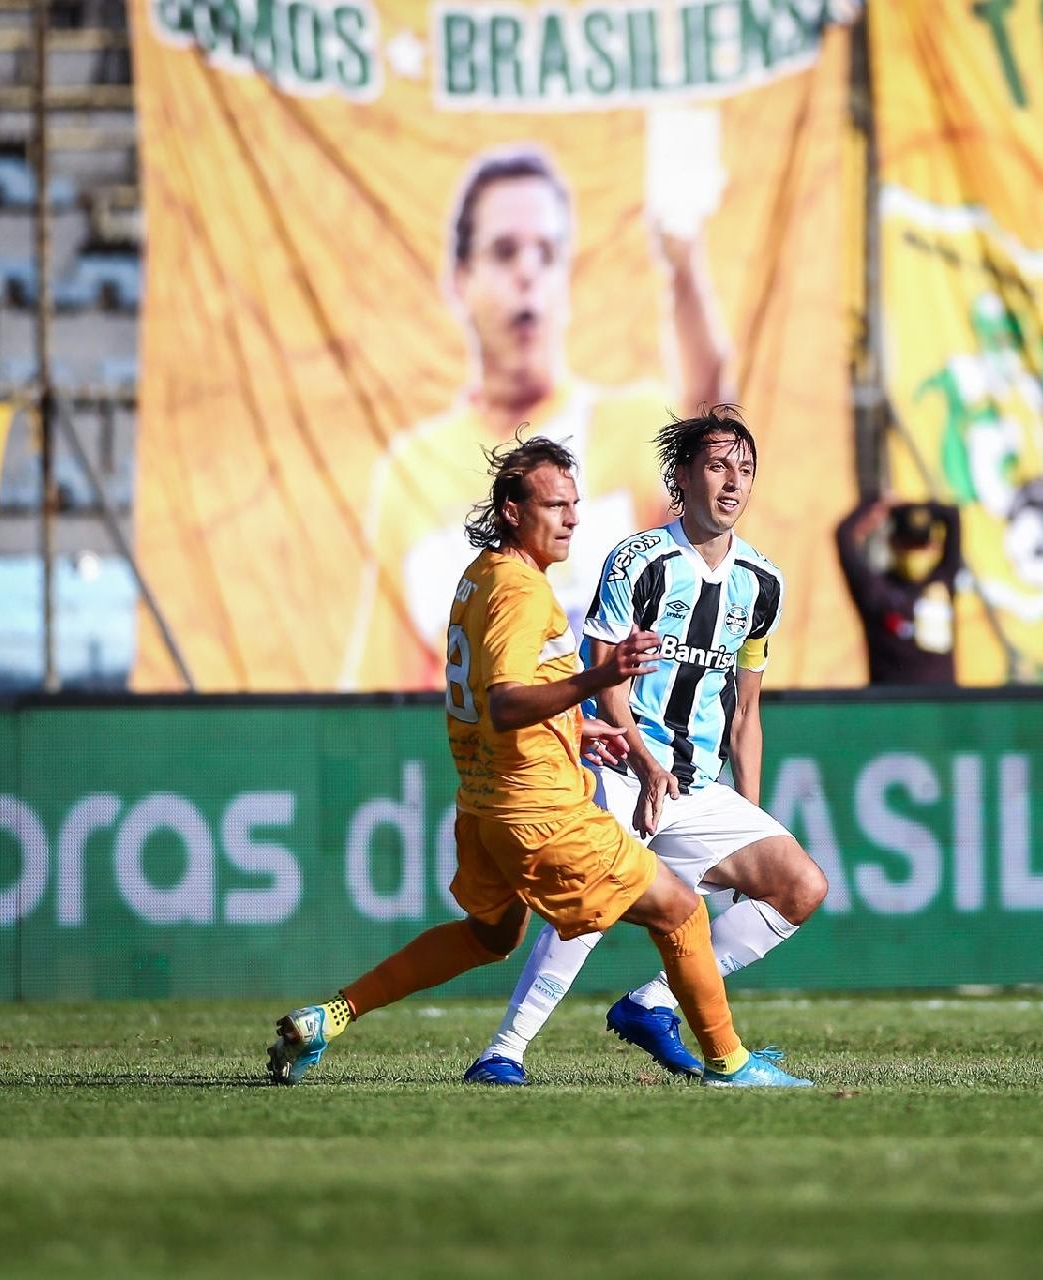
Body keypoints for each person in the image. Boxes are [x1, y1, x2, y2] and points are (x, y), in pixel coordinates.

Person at [270, 435, 809, 1089]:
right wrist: (594, 690)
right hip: (541, 805)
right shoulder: (526, 591)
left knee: (489, 937)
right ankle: (726, 1064)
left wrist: (575, 727)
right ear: (512, 511)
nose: (573, 519)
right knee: (676, 911)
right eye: (556, 506)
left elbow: (499, 696)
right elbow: (504, 701)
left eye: (574, 504)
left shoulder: (480, 578)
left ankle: (332, 1014)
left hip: (490, 798)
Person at [464, 407, 830, 1084]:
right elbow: (602, 674)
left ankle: (652, 1003)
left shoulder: (762, 582)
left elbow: (747, 708)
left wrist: (748, 812)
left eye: (744, 469)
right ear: (682, 477)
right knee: (594, 904)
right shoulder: (640, 560)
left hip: (694, 785)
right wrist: (639, 755)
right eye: (717, 465)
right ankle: (502, 1053)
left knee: (800, 886)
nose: (732, 482)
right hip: (624, 767)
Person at [340, 139, 732, 688]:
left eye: (547, 253)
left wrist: (684, 262)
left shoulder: (635, 426)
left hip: (622, 762)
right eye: (503, 252)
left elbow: (712, 433)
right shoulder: (410, 473)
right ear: (460, 280)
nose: (528, 272)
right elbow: (381, 703)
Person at [835, 496, 962, 685]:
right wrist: (877, 499)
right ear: (893, 543)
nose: (915, 552)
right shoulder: (877, 590)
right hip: (892, 709)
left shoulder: (942, 581)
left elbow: (952, 516)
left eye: (922, 545)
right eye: (908, 545)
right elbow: (843, 535)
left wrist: (914, 505)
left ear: (934, 547)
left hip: (942, 710)